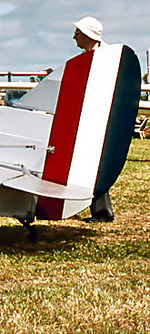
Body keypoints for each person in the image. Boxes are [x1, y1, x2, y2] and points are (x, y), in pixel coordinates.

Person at [73, 16, 114, 222]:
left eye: (78, 33)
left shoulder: (103, 59)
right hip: (89, 119)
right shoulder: (90, 56)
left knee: (96, 166)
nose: (74, 37)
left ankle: (102, 211)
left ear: (88, 35)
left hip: (98, 120)